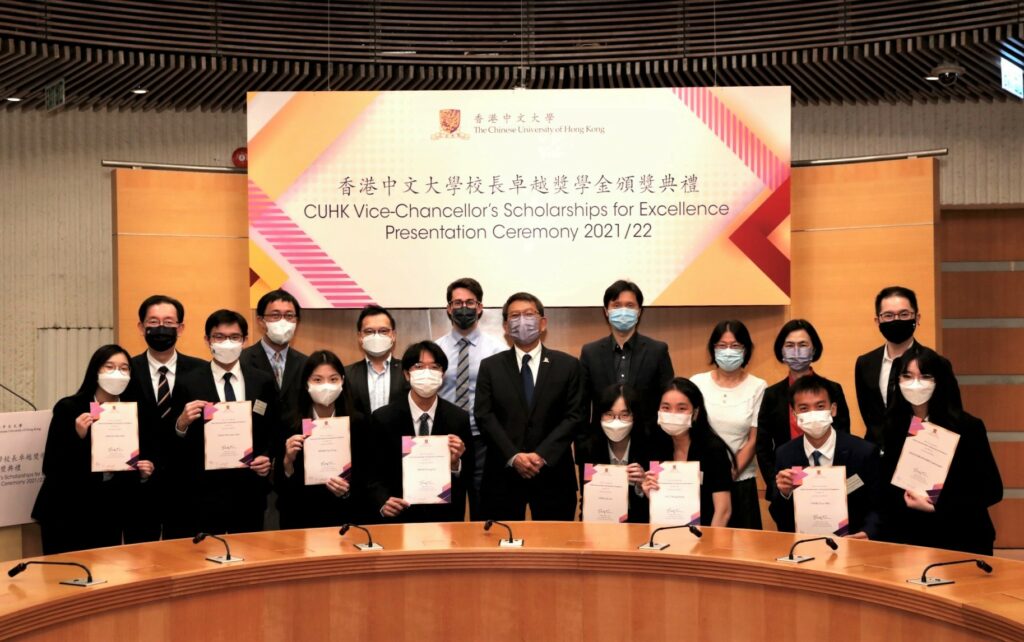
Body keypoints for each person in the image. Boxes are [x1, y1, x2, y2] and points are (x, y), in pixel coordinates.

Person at [879, 346, 1002, 555]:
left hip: (961, 537)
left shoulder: (967, 427)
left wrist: (937, 505)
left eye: (925, 376)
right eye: (907, 376)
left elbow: (991, 490)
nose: (915, 384)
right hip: (908, 540)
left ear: (939, 381)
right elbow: (885, 488)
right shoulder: (893, 428)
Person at [32, 345, 154, 554]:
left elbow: (135, 461)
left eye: (124, 369)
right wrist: (77, 436)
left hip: (107, 512)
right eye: (110, 367)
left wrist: (143, 472)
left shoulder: (132, 412)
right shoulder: (70, 408)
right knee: (64, 578)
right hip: (67, 511)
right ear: (95, 371)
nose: (118, 373)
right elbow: (52, 465)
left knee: (102, 577)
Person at [167, 309, 278, 538]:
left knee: (250, 554)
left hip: (249, 488)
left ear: (245, 340)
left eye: (234, 337)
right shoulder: (188, 382)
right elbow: (174, 439)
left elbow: (274, 428)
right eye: (219, 337)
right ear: (207, 340)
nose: (227, 343)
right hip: (204, 490)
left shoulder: (262, 381)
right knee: (207, 557)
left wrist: (267, 457)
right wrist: (181, 423)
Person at [476, 292, 584, 521]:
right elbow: (484, 416)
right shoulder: (490, 367)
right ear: (506, 326)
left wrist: (542, 455)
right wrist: (513, 456)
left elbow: (575, 416)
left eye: (529, 314)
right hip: (503, 475)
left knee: (555, 551)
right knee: (501, 550)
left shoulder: (568, 365)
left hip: (553, 474)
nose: (522, 320)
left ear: (543, 323)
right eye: (515, 316)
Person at [128, 294, 208, 542]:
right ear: (141, 327)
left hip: (187, 486)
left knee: (187, 558)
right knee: (139, 561)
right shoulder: (126, 371)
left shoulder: (202, 371)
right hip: (140, 485)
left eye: (168, 322)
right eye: (153, 321)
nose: (160, 328)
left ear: (180, 328)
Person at [365, 341, 473, 523]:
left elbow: (469, 473)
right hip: (398, 517)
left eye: (434, 367)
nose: (427, 372)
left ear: (443, 375)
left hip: (444, 519)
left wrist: (455, 464)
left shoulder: (458, 418)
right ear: (407, 374)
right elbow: (372, 472)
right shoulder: (383, 418)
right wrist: (383, 502)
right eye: (419, 366)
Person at [769, 374, 882, 539]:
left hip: (854, 546)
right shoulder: (785, 454)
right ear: (794, 415)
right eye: (804, 409)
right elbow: (779, 515)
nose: (813, 414)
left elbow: (879, 506)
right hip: (804, 546)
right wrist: (784, 493)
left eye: (820, 406)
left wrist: (867, 533)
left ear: (833, 409)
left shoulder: (863, 452)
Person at [855, 285, 962, 449]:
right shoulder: (865, 363)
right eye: (888, 315)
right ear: (878, 321)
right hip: (878, 457)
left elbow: (952, 414)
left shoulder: (937, 363)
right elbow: (869, 416)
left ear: (917, 318)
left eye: (904, 314)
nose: (896, 320)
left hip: (926, 451)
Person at [756, 319, 851, 502]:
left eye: (803, 345)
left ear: (814, 350)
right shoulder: (771, 394)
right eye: (790, 345)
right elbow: (763, 446)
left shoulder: (833, 389)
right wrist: (776, 482)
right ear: (781, 351)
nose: (796, 351)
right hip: (787, 481)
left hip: (829, 481)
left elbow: (843, 434)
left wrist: (835, 479)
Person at [435, 277, 505, 520]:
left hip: (482, 440)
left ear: (480, 307)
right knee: (445, 504)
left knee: (482, 504)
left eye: (469, 302)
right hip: (445, 439)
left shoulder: (497, 350)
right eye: (457, 302)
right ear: (448, 308)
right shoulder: (436, 350)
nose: (463, 307)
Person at [579, 280, 673, 457]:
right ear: (606, 311)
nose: (623, 310)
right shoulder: (589, 352)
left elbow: (666, 402)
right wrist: (584, 448)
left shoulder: (658, 351)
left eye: (630, 305)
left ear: (639, 311)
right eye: (617, 305)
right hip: (600, 449)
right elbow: (581, 408)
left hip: (648, 447)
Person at [276, 350, 367, 529]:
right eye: (317, 380)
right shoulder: (290, 423)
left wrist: (346, 491)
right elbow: (281, 489)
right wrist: (288, 462)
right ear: (306, 383)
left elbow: (367, 477)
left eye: (333, 379)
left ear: (342, 381)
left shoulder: (357, 423)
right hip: (301, 521)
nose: (326, 386)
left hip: (345, 519)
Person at [691, 320, 766, 529]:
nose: (728, 351)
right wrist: (713, 477)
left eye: (735, 346)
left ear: (746, 349)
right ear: (712, 349)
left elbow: (753, 439)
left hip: (741, 482)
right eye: (722, 346)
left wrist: (727, 474)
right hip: (701, 483)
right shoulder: (697, 383)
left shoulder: (758, 386)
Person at [641, 378, 732, 527]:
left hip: (704, 535)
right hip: (664, 534)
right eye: (666, 408)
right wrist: (650, 492)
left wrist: (709, 544)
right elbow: (661, 505)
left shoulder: (712, 449)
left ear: (695, 413)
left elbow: (723, 510)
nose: (673, 413)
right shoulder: (654, 447)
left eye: (681, 408)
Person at [578, 383, 649, 523]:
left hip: (640, 528)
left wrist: (641, 486)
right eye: (609, 414)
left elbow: (655, 506)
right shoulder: (588, 449)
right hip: (602, 529)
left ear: (635, 416)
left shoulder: (649, 447)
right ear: (600, 416)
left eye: (624, 415)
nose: (616, 421)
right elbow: (585, 499)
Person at [242, 289, 309, 425]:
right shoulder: (241, 360)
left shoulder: (307, 364)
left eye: (289, 316)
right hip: (258, 442)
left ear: (297, 321)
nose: (283, 321)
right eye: (275, 315)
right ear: (261, 321)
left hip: (295, 441)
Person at [345, 305, 406, 416]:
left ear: (393, 335)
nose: (376, 336)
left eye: (383, 331)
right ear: (360, 337)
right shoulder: (346, 374)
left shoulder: (407, 371)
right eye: (369, 331)